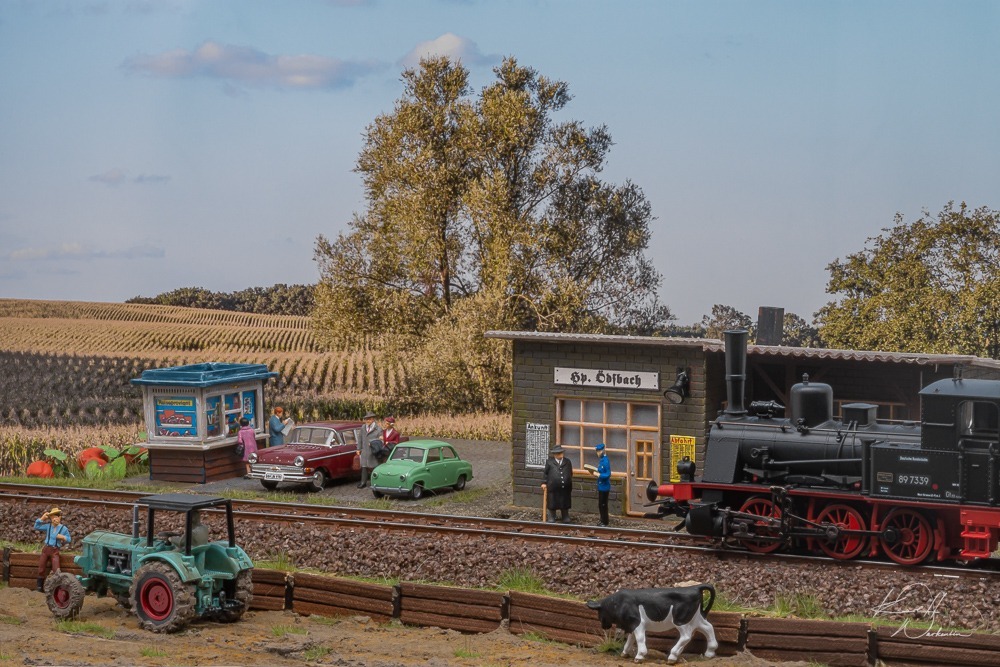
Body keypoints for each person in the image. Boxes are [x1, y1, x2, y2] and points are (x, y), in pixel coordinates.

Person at [34, 507, 70, 592]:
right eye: (52, 517)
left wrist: (63, 537)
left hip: (55, 550)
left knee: (56, 570)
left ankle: (56, 588)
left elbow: (69, 539)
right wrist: (42, 518)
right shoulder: (48, 526)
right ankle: (39, 587)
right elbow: (36, 526)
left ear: (60, 518)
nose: (54, 519)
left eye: (56, 517)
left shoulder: (63, 528)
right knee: (41, 568)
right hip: (46, 549)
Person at [541, 445, 573, 523]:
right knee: (552, 501)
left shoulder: (567, 462)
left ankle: (565, 516)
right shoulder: (549, 462)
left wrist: (568, 480)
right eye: (558, 453)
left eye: (561, 453)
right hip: (553, 487)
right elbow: (545, 473)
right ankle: (552, 516)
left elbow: (570, 472)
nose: (560, 455)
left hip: (565, 488)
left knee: (565, 502)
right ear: (554, 454)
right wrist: (544, 483)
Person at [357, 411, 383, 488]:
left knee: (374, 467)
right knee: (364, 466)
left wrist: (373, 443)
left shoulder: (378, 429)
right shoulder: (363, 427)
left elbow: (380, 441)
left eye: (369, 419)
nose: (367, 421)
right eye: (366, 419)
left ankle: (375, 481)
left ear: (372, 419)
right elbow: (360, 439)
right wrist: (358, 448)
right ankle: (363, 482)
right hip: (365, 450)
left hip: (373, 451)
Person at [595, 443, 612, 526]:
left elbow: (608, 474)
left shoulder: (605, 461)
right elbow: (600, 469)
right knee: (600, 504)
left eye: (598, 452)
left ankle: (605, 521)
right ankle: (602, 519)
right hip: (601, 486)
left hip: (604, 487)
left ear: (602, 451)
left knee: (603, 504)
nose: (597, 453)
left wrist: (599, 475)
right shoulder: (602, 460)